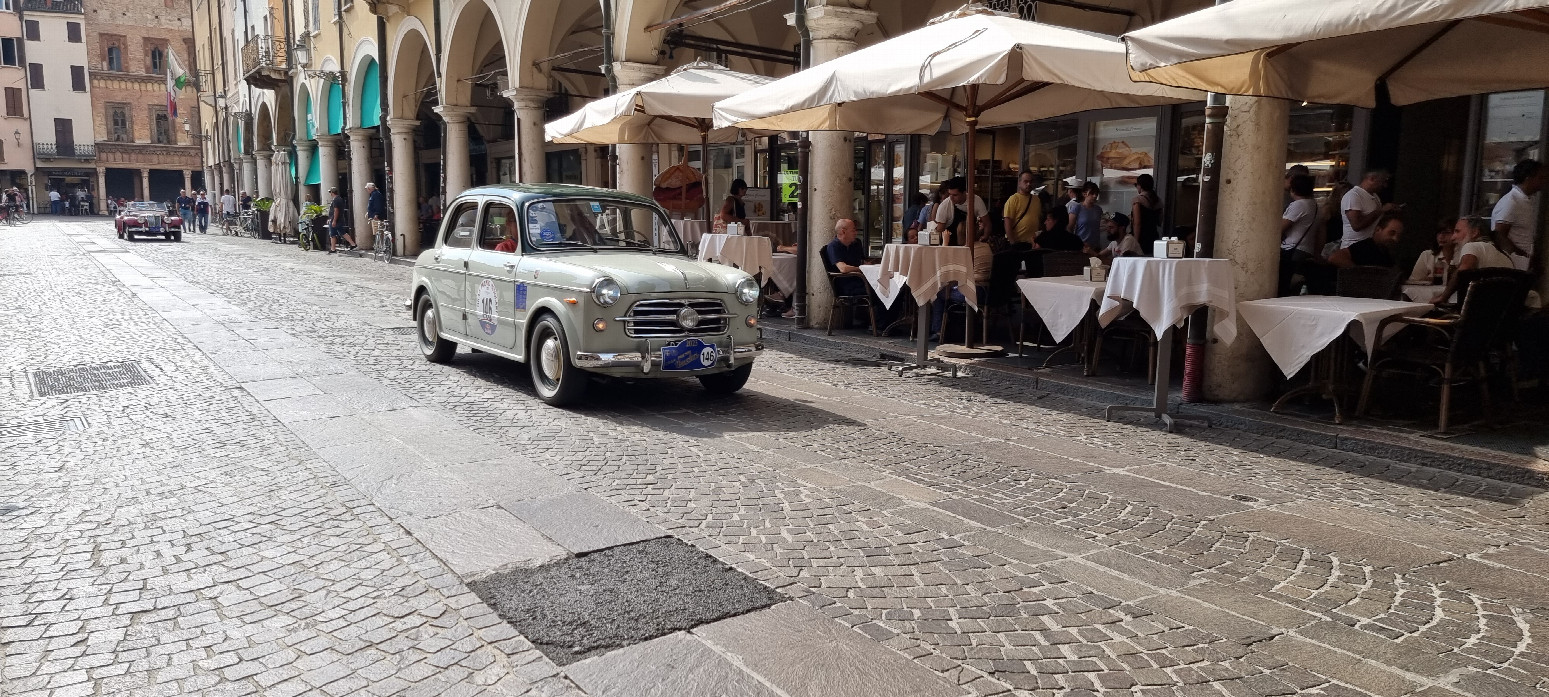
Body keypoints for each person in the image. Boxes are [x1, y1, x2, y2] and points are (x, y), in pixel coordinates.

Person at [1427, 217, 1514, 306]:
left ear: (1474, 233)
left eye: (1457, 231)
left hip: (1476, 312)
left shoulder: (1472, 246)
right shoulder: (1505, 255)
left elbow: (1463, 272)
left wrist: (1443, 297)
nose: (1453, 237)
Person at [1490, 159, 1542, 272]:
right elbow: (1499, 235)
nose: (1543, 181)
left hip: (1524, 265)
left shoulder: (1527, 200)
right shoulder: (1511, 201)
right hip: (1511, 266)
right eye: (1540, 177)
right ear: (1529, 178)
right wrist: (1521, 254)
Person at [1279, 174, 1320, 295]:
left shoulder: (1299, 205)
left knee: (1284, 284)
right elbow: (1320, 232)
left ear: (1293, 189)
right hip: (1306, 249)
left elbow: (1281, 227)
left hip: (1292, 249)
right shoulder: (1315, 205)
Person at [1340, 170, 1399, 248]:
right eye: (1383, 181)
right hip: (1354, 247)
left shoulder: (1375, 196)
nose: (1385, 185)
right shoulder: (1353, 196)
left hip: (1370, 246)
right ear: (1372, 179)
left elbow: (1375, 220)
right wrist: (1381, 210)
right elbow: (1356, 225)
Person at [1329, 211, 1403, 269]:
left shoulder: (1387, 254)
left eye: (1398, 236)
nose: (1395, 239)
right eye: (1391, 233)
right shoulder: (1366, 246)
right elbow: (1335, 257)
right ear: (1378, 230)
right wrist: (1362, 274)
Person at [933, 177, 990, 247]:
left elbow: (987, 223)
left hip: (972, 244)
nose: (951, 198)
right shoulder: (944, 206)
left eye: (955, 195)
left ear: (964, 192)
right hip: (951, 244)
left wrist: (985, 236)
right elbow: (940, 230)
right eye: (950, 194)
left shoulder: (976, 201)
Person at [1407, 219, 1458, 285]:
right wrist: (1425, 282)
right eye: (1439, 233)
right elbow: (1413, 282)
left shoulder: (1461, 256)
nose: (1441, 237)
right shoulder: (1427, 255)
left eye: (1446, 232)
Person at [1002, 170, 1042, 247]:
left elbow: (1038, 219)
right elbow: (1007, 223)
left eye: (1031, 181)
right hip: (1018, 242)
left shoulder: (1036, 200)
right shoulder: (1013, 199)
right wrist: (1012, 243)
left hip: (1032, 243)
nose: (1029, 184)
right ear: (1019, 183)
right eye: (1025, 181)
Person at [1131, 173, 1163, 250]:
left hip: (1141, 237)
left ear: (1140, 186)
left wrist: (1136, 241)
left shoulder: (1137, 200)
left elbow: (1137, 223)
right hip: (1153, 236)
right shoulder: (1158, 201)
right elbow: (1159, 221)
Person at [1070, 182, 1104, 251]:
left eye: (1096, 194)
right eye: (1092, 193)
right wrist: (1077, 242)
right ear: (1084, 194)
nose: (1095, 196)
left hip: (1095, 246)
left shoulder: (1098, 209)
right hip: (1081, 246)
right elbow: (1069, 227)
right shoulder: (1077, 207)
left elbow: (1098, 226)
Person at [326, 187, 354, 253]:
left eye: (330, 192)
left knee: (332, 234)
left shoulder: (336, 200)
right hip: (338, 219)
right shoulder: (339, 199)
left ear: (332, 193)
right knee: (342, 232)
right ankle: (353, 244)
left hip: (336, 219)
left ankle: (333, 248)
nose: (330, 194)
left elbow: (336, 211)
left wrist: (334, 220)